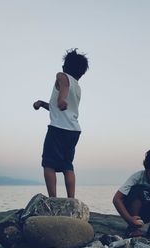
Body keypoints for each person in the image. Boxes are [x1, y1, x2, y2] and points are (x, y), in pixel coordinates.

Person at [33, 48, 88, 198]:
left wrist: (61, 98)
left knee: (48, 164)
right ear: (81, 73)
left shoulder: (62, 76)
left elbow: (64, 86)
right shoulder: (78, 87)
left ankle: (53, 199)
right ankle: (71, 199)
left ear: (65, 66)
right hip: (73, 130)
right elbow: (58, 108)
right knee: (67, 165)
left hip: (58, 129)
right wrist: (42, 103)